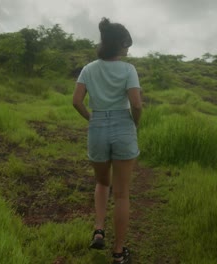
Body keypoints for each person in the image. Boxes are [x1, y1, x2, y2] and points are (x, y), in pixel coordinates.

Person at [72, 17, 142, 264]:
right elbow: (135, 103)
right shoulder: (128, 70)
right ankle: (118, 253)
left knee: (102, 184)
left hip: (98, 125)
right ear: (117, 44)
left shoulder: (89, 68)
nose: (128, 48)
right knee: (122, 194)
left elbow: (76, 101)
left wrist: (92, 118)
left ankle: (99, 229)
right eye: (126, 44)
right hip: (123, 125)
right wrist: (134, 123)